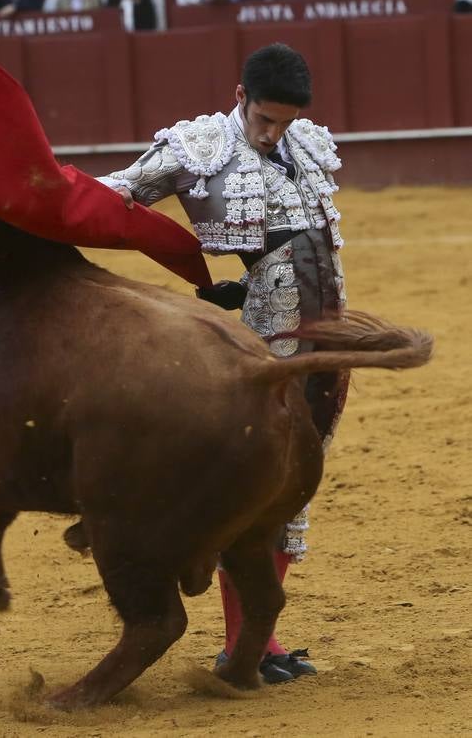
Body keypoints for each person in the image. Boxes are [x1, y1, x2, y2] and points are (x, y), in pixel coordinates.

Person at [83, 43, 347, 685]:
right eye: (265, 119)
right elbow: (109, 197)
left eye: (284, 122)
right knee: (256, 489)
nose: (274, 133)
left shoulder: (306, 144)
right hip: (258, 349)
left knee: (290, 490)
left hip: (326, 346)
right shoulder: (197, 147)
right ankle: (242, 645)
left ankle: (261, 640)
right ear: (240, 95)